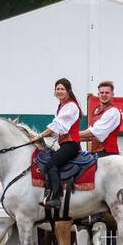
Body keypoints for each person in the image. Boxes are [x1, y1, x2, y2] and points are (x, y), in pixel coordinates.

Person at [37, 77, 83, 210]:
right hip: (63, 144)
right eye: (57, 89)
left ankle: (56, 198)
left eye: (62, 89)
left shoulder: (71, 106)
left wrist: (39, 136)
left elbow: (56, 126)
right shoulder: (60, 107)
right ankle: (47, 192)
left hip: (71, 144)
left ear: (68, 91)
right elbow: (55, 132)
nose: (59, 91)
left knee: (51, 164)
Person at [80, 80, 121, 158]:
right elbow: (91, 136)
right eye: (101, 93)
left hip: (107, 154)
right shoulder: (97, 111)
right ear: (98, 95)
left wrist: (71, 135)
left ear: (112, 95)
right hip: (96, 153)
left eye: (107, 93)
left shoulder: (113, 111)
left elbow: (94, 132)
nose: (104, 95)